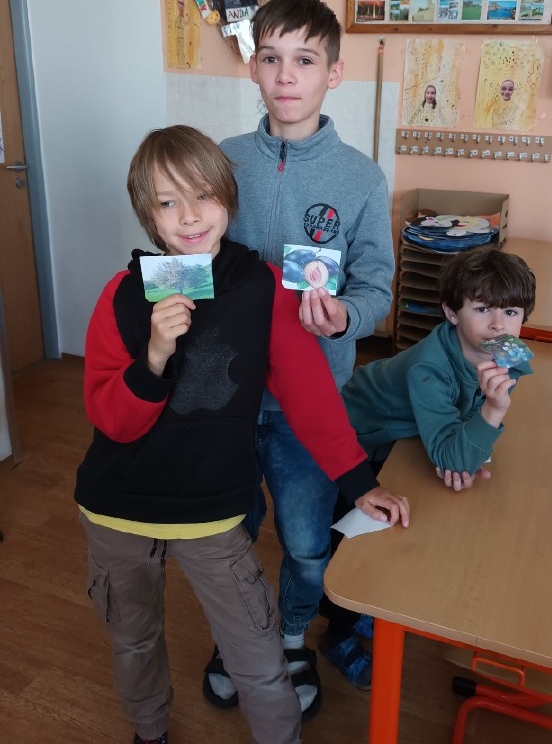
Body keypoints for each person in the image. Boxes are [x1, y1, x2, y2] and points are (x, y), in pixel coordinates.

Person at [75, 126, 409, 744]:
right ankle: (149, 732)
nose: (189, 216)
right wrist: (153, 358)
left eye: (203, 194)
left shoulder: (263, 288)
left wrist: (359, 482)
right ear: (148, 213)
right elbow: (111, 420)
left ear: (228, 197)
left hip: (210, 513)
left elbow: (310, 397)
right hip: (118, 507)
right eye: (168, 201)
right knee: (134, 638)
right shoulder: (123, 295)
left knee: (256, 655)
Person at [202, 0, 396, 714]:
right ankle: (239, 638)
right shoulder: (223, 162)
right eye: (271, 58)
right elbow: (190, 249)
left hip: (310, 405)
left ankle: (289, 638)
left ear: (333, 73)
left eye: (305, 60)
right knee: (229, 534)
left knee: (308, 542)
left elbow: (377, 286)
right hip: (223, 395)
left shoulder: (360, 178)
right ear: (254, 68)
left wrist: (345, 315)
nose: (286, 75)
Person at [320, 246, 536, 651]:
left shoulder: (506, 353)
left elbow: (464, 433)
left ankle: (362, 608)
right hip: (358, 435)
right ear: (451, 313)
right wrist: (486, 419)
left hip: (405, 431)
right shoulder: (430, 368)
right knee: (352, 536)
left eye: (511, 312)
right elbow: (453, 457)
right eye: (482, 309)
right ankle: (339, 628)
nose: (498, 325)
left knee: (411, 517)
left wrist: (468, 445)